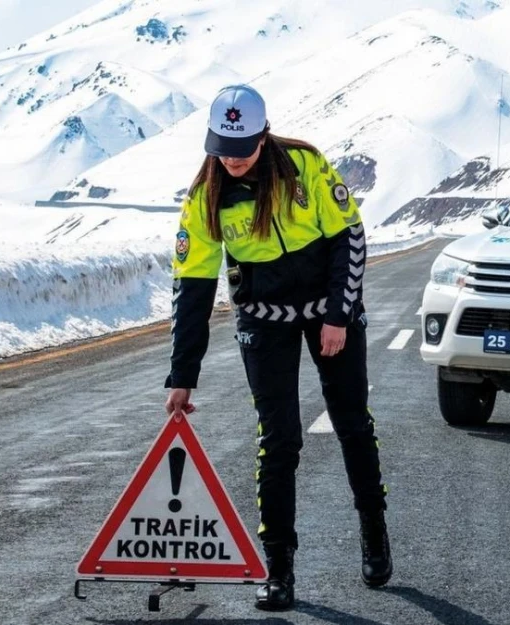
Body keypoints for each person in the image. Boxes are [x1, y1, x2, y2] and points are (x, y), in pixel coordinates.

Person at [163, 84, 391, 611]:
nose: (234, 159)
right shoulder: (205, 199)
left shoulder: (305, 166)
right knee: (279, 438)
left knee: (352, 422)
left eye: (242, 147)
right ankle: (279, 568)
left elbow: (349, 239)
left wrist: (338, 315)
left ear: (264, 137)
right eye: (222, 147)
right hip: (263, 322)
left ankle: (374, 534)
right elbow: (191, 290)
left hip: (329, 311)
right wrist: (182, 376)